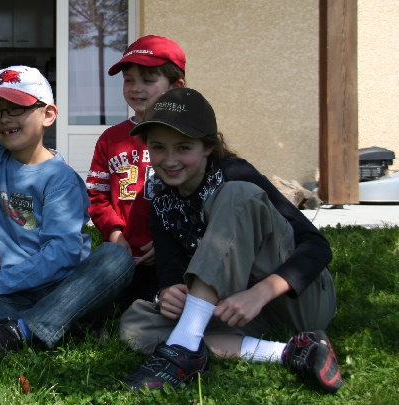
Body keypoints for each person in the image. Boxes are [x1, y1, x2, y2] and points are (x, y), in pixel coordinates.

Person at [119, 88, 342, 393]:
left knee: (236, 195)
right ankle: (292, 352)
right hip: (235, 310)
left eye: (183, 147)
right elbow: (171, 271)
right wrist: (168, 293)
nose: (169, 160)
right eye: (158, 148)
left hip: (297, 301)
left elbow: (317, 247)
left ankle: (183, 346)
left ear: (208, 146)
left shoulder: (235, 174)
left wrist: (260, 293)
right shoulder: (160, 200)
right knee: (136, 323)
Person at [0, 65, 135, 360]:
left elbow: (61, 255)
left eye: (16, 108)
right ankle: (65, 321)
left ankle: (22, 330)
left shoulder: (61, 180)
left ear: (48, 115)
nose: (4, 119)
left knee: (116, 257)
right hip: (17, 291)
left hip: (66, 286)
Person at [86, 35, 185, 311]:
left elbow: (198, 198)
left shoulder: (188, 140)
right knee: (100, 298)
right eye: (129, 80)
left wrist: (169, 241)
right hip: (121, 252)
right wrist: (114, 233)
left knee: (170, 299)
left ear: (176, 86)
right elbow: (96, 194)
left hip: (173, 254)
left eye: (148, 80)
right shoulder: (111, 138)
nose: (136, 88)